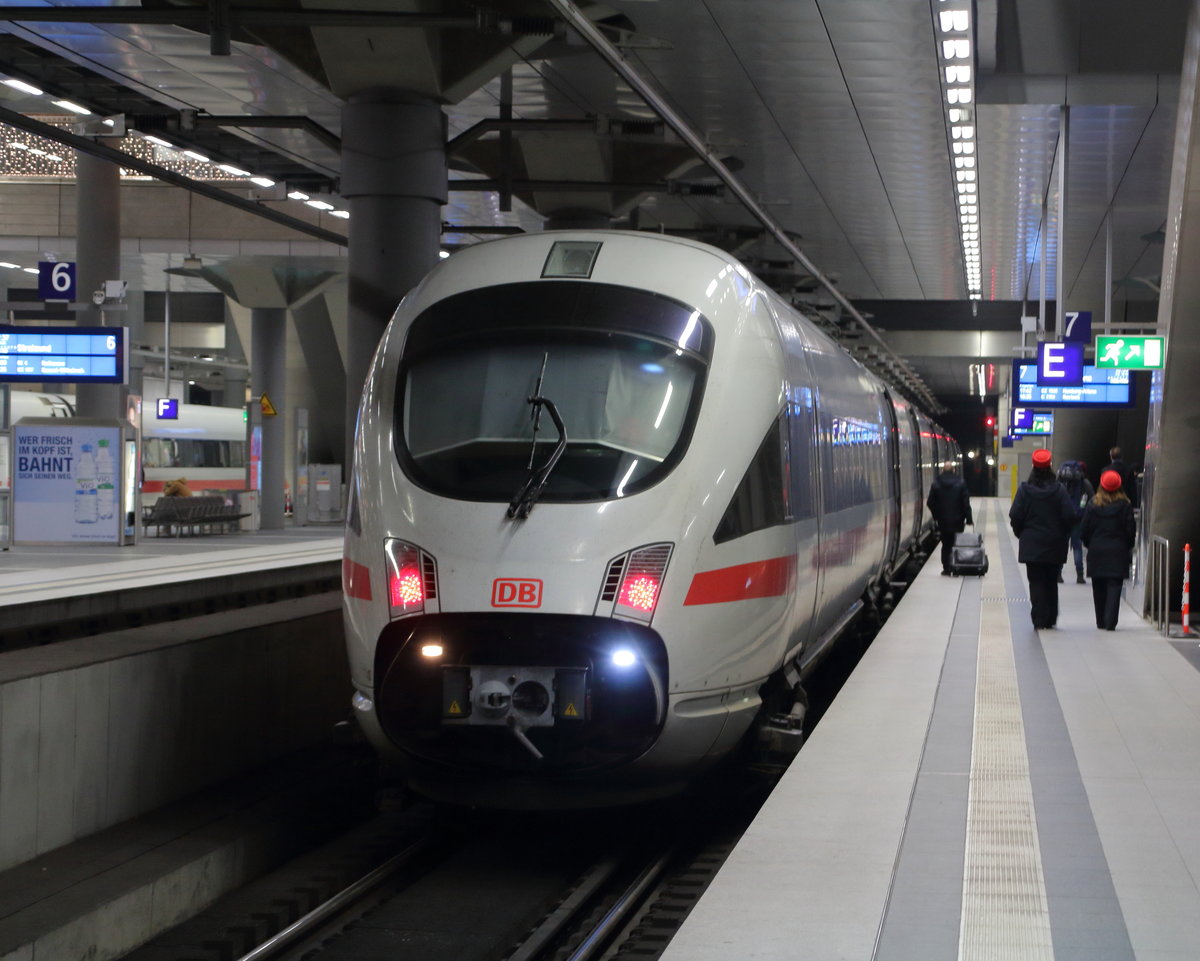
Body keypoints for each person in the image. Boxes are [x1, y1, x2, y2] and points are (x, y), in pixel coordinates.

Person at [1009, 448, 1076, 630]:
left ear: (1033, 466)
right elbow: (1070, 515)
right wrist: (1063, 534)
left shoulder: (1024, 490)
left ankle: (1039, 618)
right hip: (1054, 544)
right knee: (1051, 580)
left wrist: (1022, 533)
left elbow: (1015, 515)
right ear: (1050, 466)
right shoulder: (1059, 491)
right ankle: (1051, 617)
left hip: (1032, 544)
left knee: (1036, 581)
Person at [1082, 470, 1136, 630]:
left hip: (1097, 550)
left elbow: (1084, 530)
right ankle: (1110, 621)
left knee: (1098, 587)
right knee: (1114, 586)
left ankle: (1100, 620)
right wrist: (1128, 546)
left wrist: (1090, 544)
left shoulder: (1093, 505)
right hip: (1118, 551)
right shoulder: (1125, 505)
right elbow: (1130, 531)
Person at [927, 460, 973, 575]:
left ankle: (946, 568)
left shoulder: (936, 483)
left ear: (942, 470)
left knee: (945, 544)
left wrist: (936, 515)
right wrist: (969, 518)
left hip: (943, 521)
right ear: (953, 470)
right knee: (955, 543)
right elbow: (965, 502)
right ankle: (956, 567)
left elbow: (930, 502)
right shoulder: (961, 483)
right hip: (958, 520)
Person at [1056, 460, 1094, 584]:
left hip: (1063, 518)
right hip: (1078, 518)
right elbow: (1092, 499)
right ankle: (1080, 575)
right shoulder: (1084, 483)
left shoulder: (1061, 482)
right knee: (1077, 547)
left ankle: (1058, 574)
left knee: (1062, 546)